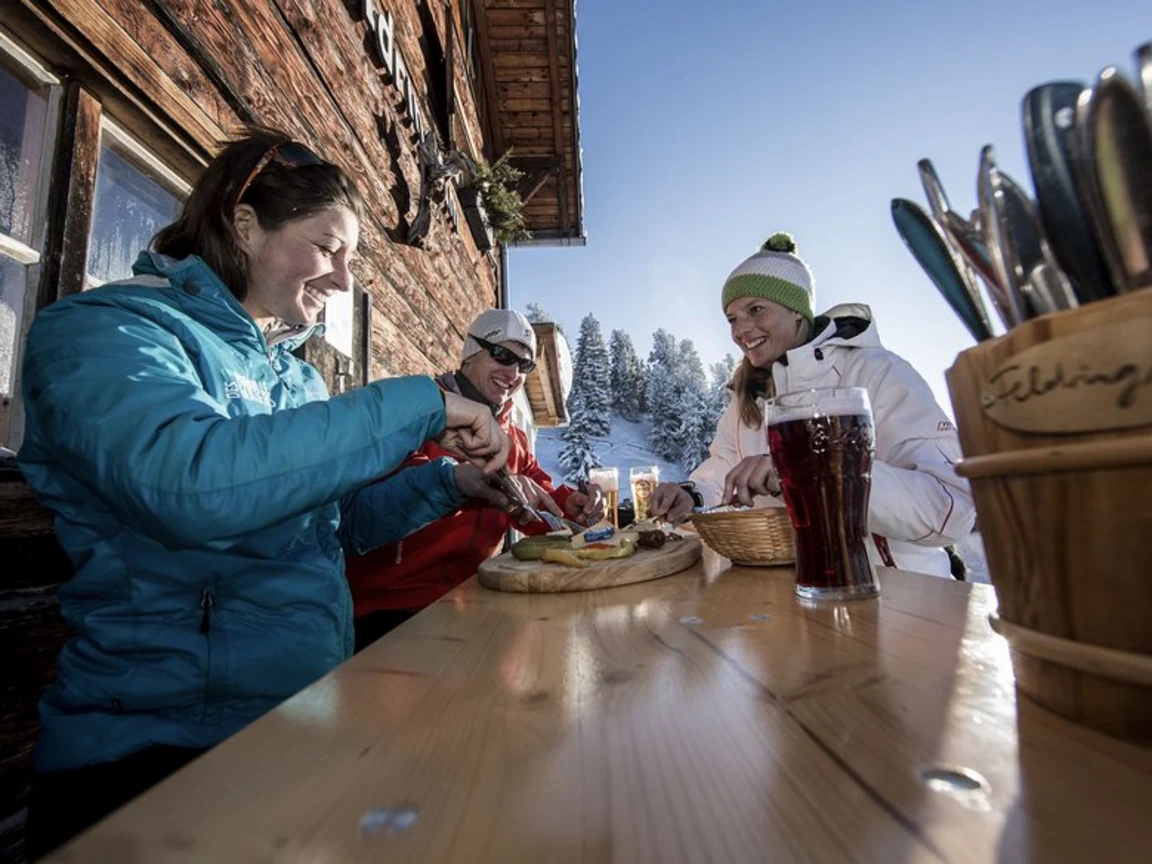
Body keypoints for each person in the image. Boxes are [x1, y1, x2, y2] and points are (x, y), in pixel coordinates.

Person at [16, 129, 511, 858]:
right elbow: (191, 485)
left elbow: (328, 529)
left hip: (299, 722)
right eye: (328, 247)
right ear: (245, 226)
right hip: (158, 756)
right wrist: (423, 404)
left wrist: (449, 483)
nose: (344, 281)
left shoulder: (296, 378)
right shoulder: (105, 331)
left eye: (353, 260)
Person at [650, 232, 975, 578]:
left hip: (900, 596)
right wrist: (692, 494)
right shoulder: (747, 399)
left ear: (797, 311)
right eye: (732, 318)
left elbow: (951, 508)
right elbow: (723, 470)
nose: (740, 330)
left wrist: (807, 470)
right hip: (788, 598)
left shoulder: (875, 372)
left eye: (756, 309)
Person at [346, 308, 606, 651]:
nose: (512, 373)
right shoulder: (423, 409)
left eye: (524, 365)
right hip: (390, 606)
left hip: (471, 600)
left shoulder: (513, 438)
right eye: (502, 355)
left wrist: (570, 504)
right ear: (470, 353)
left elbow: (538, 493)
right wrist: (455, 482)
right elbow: (371, 506)